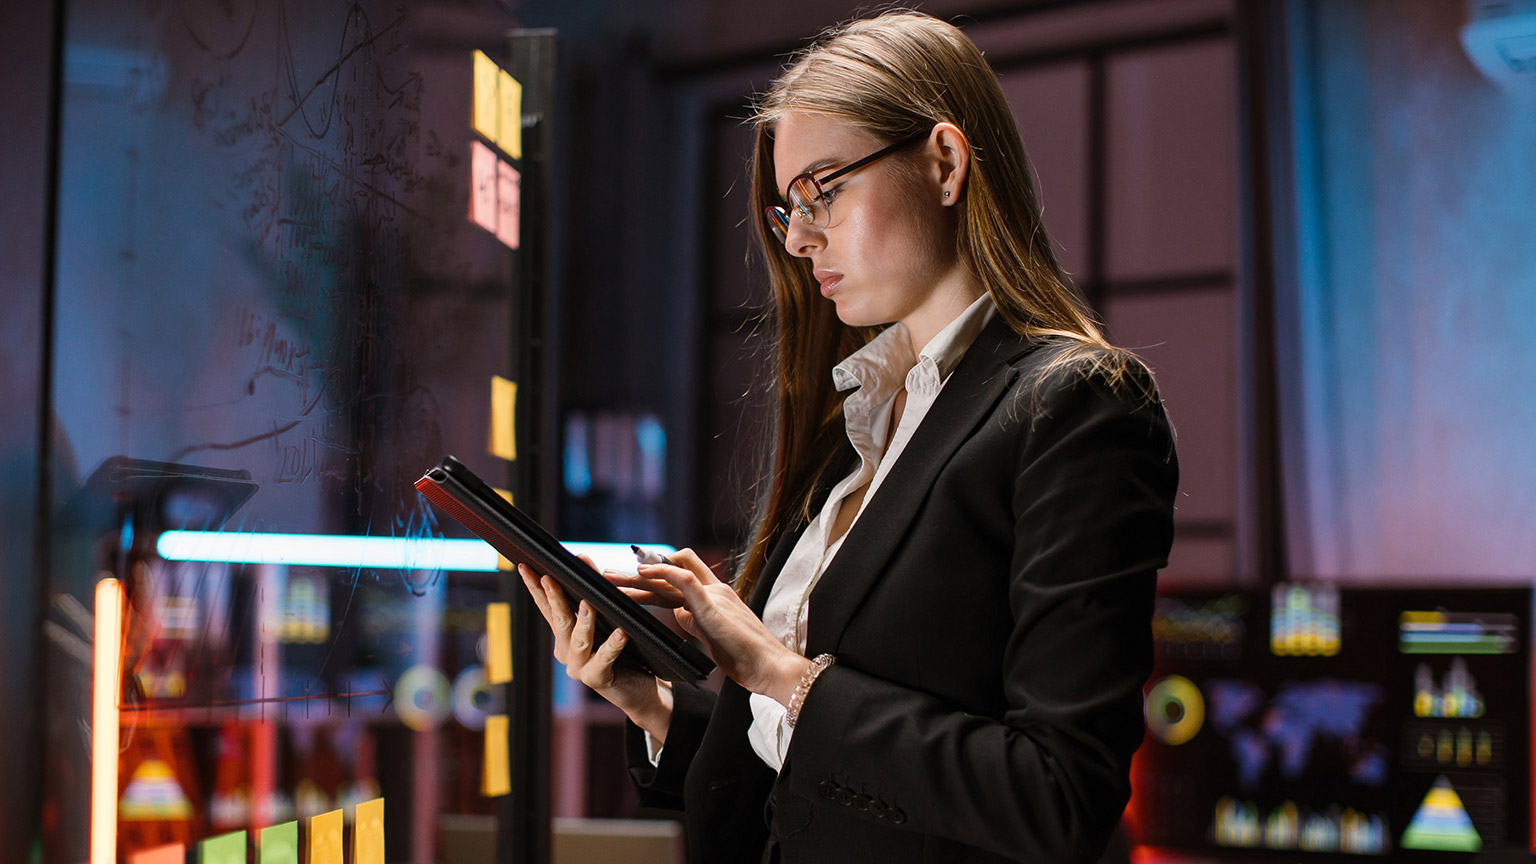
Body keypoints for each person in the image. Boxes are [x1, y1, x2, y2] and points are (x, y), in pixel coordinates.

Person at [519, 10, 1178, 863]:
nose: (797, 239)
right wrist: (653, 706)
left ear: (944, 163)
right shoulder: (862, 421)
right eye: (786, 207)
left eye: (822, 189)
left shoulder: (1079, 406)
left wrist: (774, 672)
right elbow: (806, 790)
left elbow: (1057, 798)